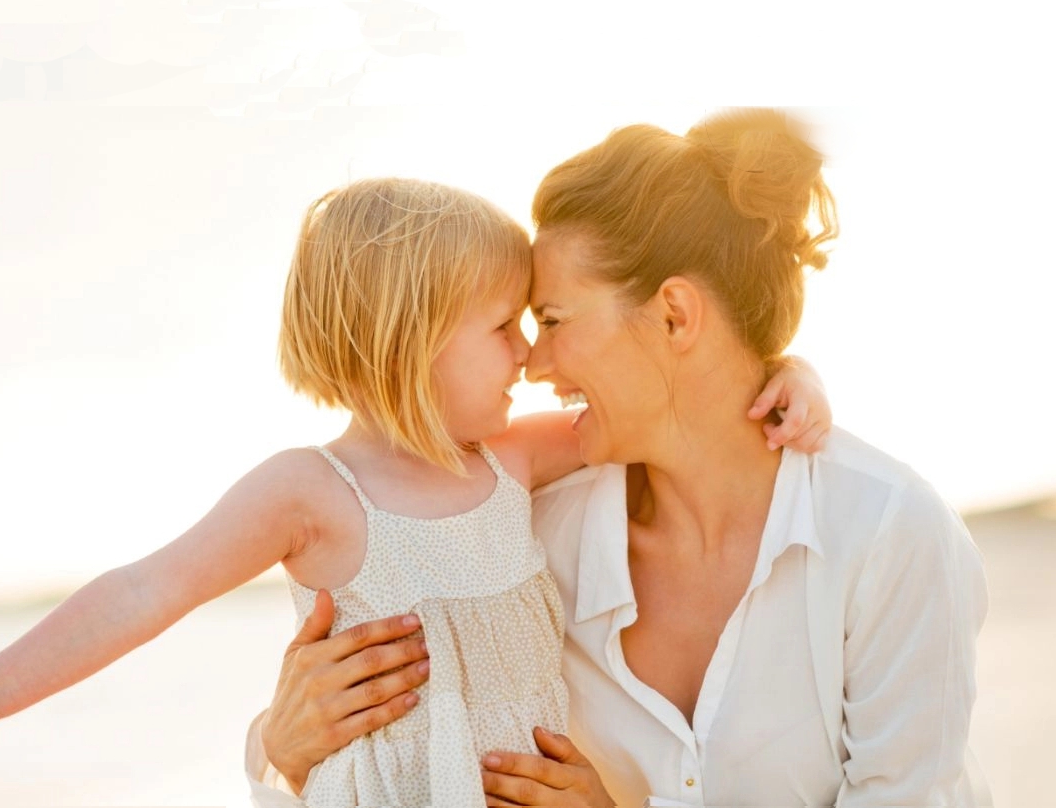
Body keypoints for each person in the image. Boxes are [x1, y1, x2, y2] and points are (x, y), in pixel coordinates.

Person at [0, 177, 831, 808]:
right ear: (413, 339)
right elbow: (144, 590)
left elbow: (661, 407)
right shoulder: (313, 493)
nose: (531, 353)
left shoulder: (513, 459)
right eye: (503, 325)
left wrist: (783, 374)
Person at [252, 110, 991, 807]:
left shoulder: (888, 531)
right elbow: (409, 751)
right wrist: (281, 747)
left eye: (552, 319)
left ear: (674, 315)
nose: (532, 362)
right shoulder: (525, 540)